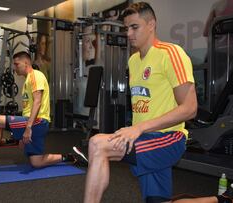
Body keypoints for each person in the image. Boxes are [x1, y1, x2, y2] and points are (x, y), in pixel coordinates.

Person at [82, 2, 232, 203]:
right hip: (145, 138)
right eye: (126, 28)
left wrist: (137, 129)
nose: (128, 34)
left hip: (169, 138)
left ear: (151, 24)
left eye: (134, 27)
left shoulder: (171, 53)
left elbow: (190, 109)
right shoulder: (134, 61)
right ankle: (221, 200)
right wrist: (138, 130)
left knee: (97, 144)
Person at [0, 51, 83, 175]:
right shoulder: (28, 80)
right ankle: (68, 157)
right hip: (37, 122)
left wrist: (28, 128)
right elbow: (29, 108)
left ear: (26, 62)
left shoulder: (35, 76)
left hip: (38, 122)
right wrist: (24, 133)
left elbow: (37, 102)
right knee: (36, 162)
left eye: (17, 64)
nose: (14, 67)